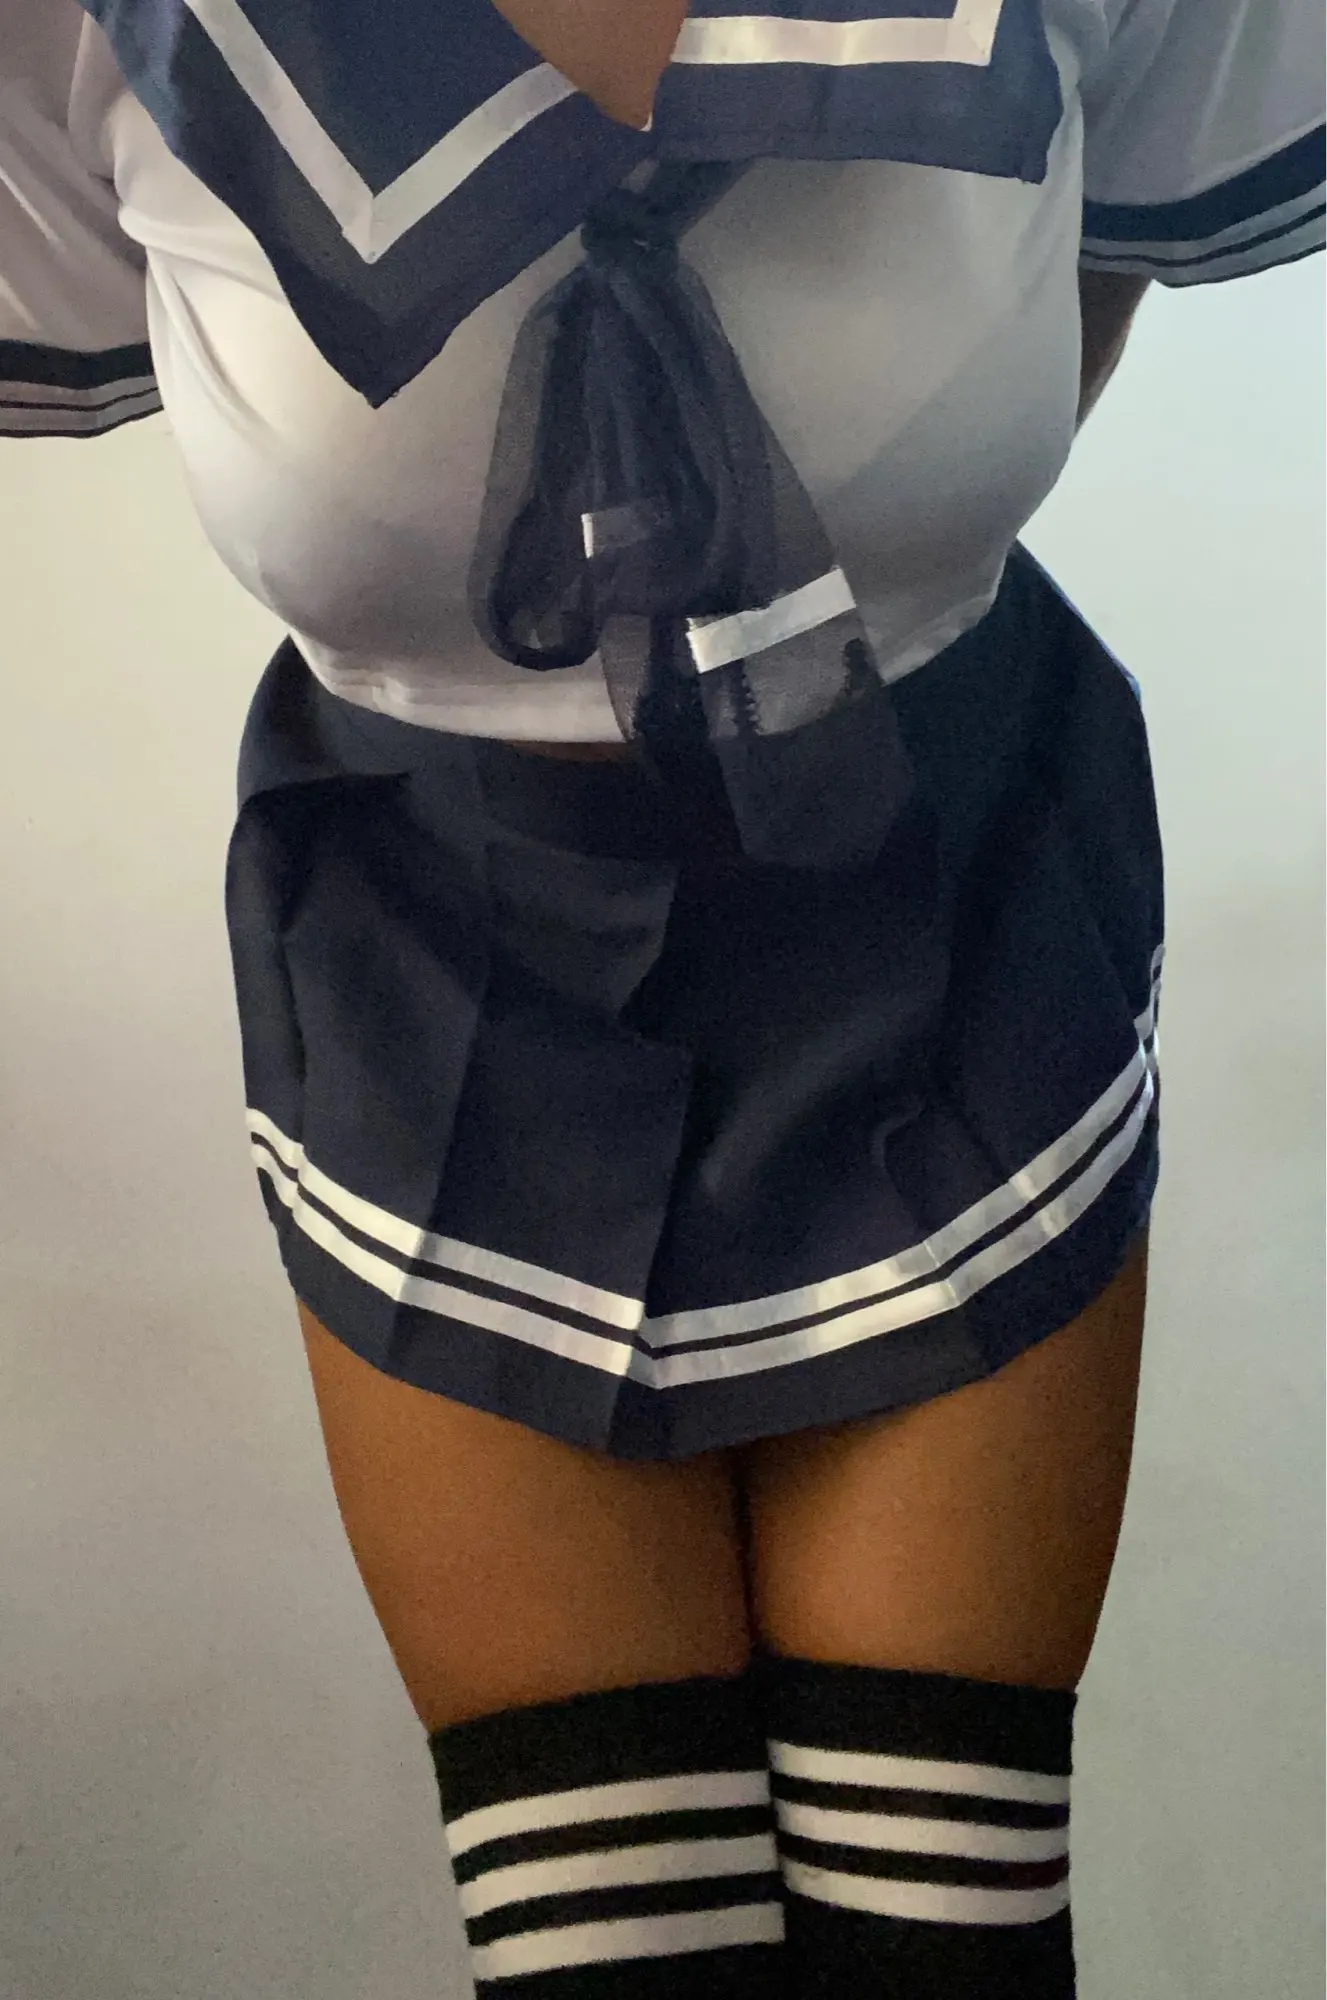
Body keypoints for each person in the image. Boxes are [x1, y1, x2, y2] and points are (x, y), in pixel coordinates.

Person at [3, 3, 1321, 1994]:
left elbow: (1099, 258)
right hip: (437, 988)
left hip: (948, 932)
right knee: (612, 1947)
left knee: (946, 1932)